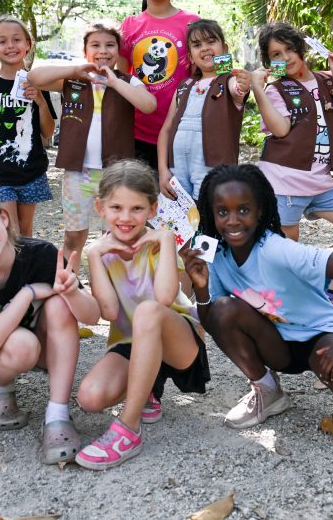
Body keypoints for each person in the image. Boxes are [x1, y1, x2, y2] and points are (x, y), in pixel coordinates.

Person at [181, 164, 333, 428]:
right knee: (223, 309)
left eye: (243, 210)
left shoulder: (275, 249)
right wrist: (201, 288)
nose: (232, 220)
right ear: (211, 214)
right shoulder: (216, 256)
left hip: (317, 337)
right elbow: (214, 322)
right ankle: (268, 391)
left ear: (260, 211)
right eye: (222, 212)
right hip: (275, 345)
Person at [0, 187, 99, 464]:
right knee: (22, 344)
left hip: (48, 349)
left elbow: (93, 317)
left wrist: (72, 291)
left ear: (3, 217)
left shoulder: (42, 254)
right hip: (4, 353)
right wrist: (27, 294)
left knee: (60, 304)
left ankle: (57, 414)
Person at [74, 160, 210, 470]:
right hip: (134, 343)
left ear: (152, 210)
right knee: (89, 398)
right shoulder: (101, 253)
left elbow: (164, 299)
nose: (125, 217)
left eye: (136, 208)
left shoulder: (160, 242)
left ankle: (127, 429)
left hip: (179, 342)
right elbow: (107, 312)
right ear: (100, 207)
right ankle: (147, 387)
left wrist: (165, 239)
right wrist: (95, 254)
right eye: (116, 207)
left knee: (149, 310)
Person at [250, 22, 333, 312]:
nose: (286, 57)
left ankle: (330, 289)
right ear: (269, 62)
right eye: (276, 54)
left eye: (290, 49)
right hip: (284, 181)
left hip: (320, 180)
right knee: (287, 245)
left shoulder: (327, 80)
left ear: (302, 49)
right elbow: (279, 129)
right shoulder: (276, 89)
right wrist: (258, 89)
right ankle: (283, 303)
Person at [27, 21, 155, 268]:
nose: (103, 50)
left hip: (115, 174)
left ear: (118, 51)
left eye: (110, 45)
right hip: (78, 171)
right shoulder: (74, 80)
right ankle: (68, 284)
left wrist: (115, 82)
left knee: (119, 233)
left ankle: (116, 288)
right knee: (74, 234)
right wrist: (75, 70)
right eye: (95, 45)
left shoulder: (126, 81)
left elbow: (148, 105)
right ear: (85, 50)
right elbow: (34, 77)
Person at [0, 14, 56, 237]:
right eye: (2, 41)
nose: (10, 45)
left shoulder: (37, 82)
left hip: (31, 170)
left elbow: (48, 132)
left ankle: (25, 271)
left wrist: (40, 102)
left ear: (28, 44)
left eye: (16, 39)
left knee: (25, 232)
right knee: (10, 230)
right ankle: (10, 271)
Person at [118, 0, 201, 169]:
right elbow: (122, 77)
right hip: (137, 132)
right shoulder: (128, 26)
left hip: (182, 130)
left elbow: (202, 74)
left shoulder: (193, 23)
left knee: (179, 199)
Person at [157, 19, 251, 201]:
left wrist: (243, 85)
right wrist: (162, 170)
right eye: (197, 44)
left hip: (213, 168)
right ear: (191, 56)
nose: (205, 48)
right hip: (176, 167)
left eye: (211, 41)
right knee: (181, 221)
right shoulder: (184, 86)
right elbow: (166, 129)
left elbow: (237, 90)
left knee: (210, 215)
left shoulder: (228, 81)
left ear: (224, 48)